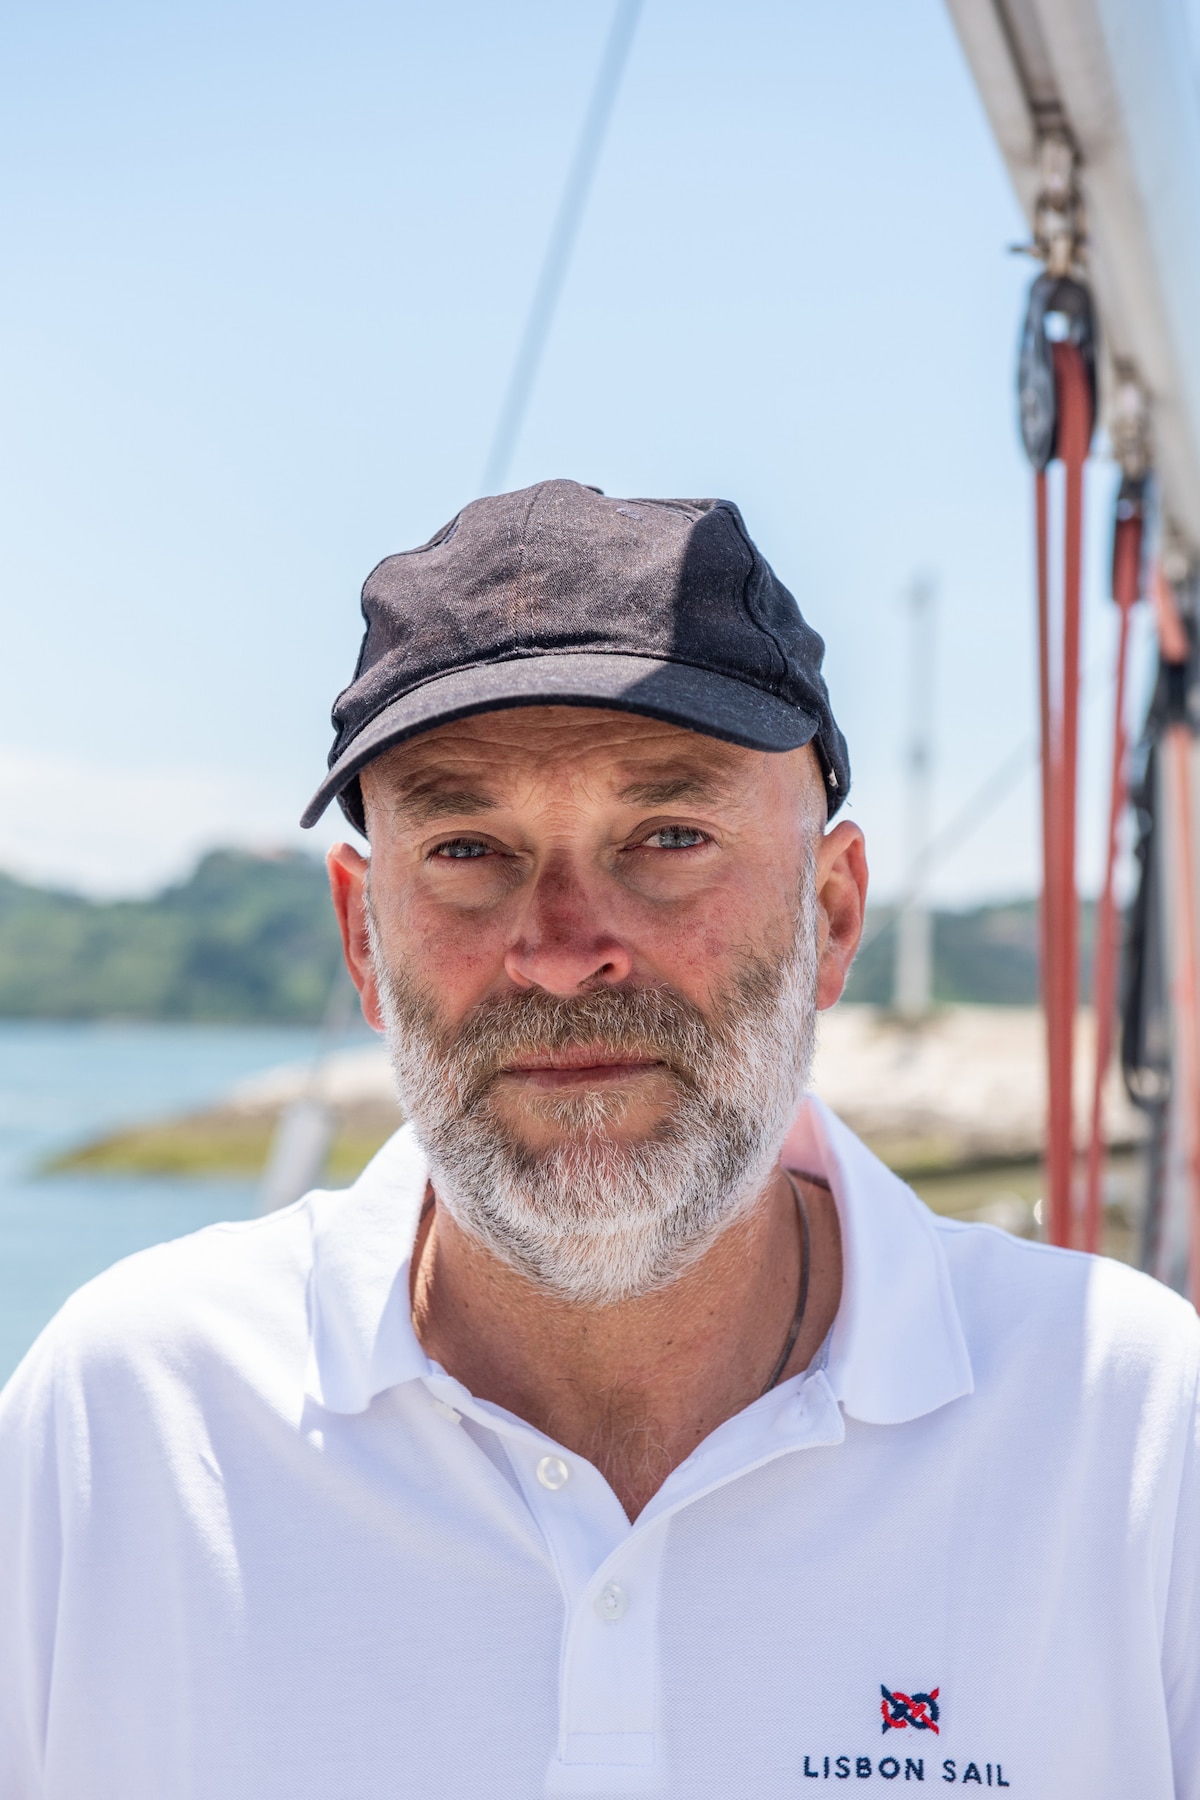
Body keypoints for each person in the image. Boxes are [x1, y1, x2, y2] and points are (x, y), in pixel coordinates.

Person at [0, 480, 1198, 1799]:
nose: (565, 951)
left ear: (832, 915)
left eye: (669, 836)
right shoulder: (132, 1421)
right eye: (468, 848)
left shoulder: (1129, 1430)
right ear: (361, 936)